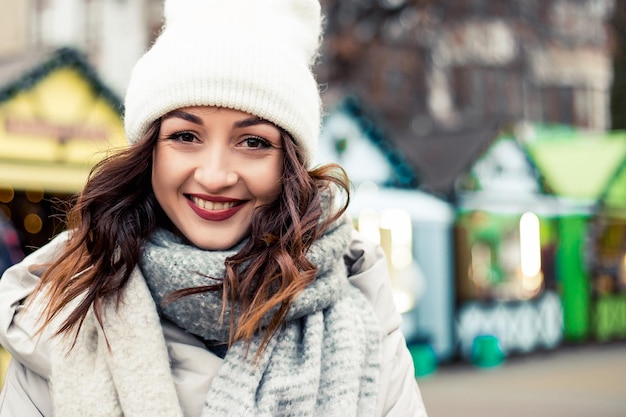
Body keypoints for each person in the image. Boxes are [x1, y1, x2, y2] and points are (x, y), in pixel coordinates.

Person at [0, 0, 428, 416]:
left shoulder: (362, 313)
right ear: (150, 152)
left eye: (253, 142)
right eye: (186, 136)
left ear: (289, 164)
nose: (215, 175)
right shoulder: (61, 316)